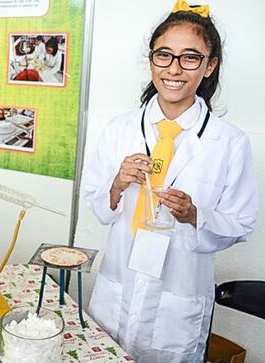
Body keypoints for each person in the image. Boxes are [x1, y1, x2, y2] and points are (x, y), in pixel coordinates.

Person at [82, 2, 258, 362]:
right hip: (116, 287)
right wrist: (116, 184)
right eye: (164, 55)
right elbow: (97, 203)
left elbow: (241, 223)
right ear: (151, 61)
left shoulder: (230, 142)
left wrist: (196, 215)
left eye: (190, 57)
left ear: (209, 66)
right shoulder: (120, 130)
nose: (174, 69)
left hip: (176, 304)